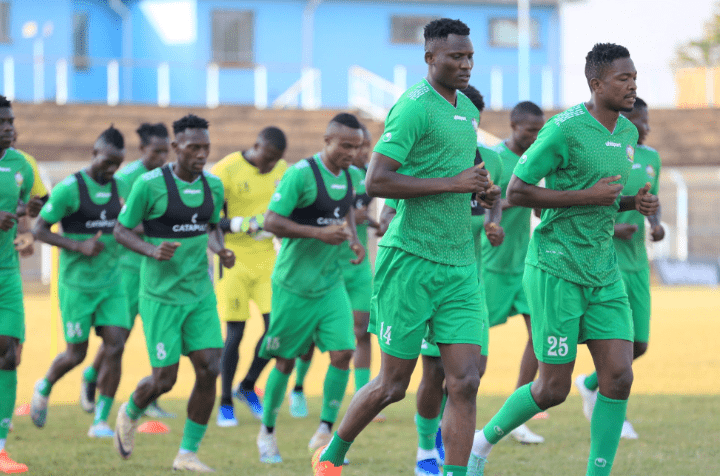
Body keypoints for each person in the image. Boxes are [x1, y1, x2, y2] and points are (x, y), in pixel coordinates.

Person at [312, 19, 498, 476]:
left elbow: (446, 175)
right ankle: (331, 456)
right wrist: (454, 182)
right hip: (410, 262)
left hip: (458, 266)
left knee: (465, 382)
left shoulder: (466, 112)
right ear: (430, 58)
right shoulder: (413, 107)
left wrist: (477, 192)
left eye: (470, 56)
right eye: (456, 56)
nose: (466, 64)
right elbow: (378, 179)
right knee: (393, 384)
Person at [466, 43, 659, 476]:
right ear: (596, 84)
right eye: (622, 79)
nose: (632, 86)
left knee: (620, 377)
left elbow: (603, 199)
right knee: (552, 389)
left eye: (634, 78)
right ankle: (482, 442)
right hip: (556, 267)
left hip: (603, 270)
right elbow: (517, 192)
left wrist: (632, 201)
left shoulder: (627, 134)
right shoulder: (563, 130)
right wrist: (587, 196)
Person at [112, 114, 234, 472]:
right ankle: (132, 409)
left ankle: (187, 454)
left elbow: (211, 226)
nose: (201, 153)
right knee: (165, 380)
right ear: (176, 147)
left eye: (206, 147)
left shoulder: (213, 185)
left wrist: (220, 249)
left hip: (199, 293)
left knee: (210, 368)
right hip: (160, 295)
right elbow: (121, 231)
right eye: (193, 147)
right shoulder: (149, 186)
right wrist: (151, 250)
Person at [255, 113, 365, 464]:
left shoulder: (353, 176)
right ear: (327, 140)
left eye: (356, 147)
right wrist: (320, 233)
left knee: (343, 352)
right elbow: (271, 221)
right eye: (345, 145)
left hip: (330, 282)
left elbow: (346, 207)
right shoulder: (301, 174)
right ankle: (267, 432)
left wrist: (351, 237)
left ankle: (325, 432)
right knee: (285, 362)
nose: (351, 153)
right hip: (293, 286)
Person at [412, 84, 503, 476]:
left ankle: (454, 461)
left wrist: (493, 221)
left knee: (469, 376)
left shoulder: (490, 160)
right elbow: (400, 201)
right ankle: (424, 451)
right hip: (430, 276)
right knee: (433, 372)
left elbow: (494, 196)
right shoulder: (434, 156)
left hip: (471, 280)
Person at [31, 126, 130, 439]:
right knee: (76, 354)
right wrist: (78, 245)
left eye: (117, 163)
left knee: (116, 345)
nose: (111, 169)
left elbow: (130, 223)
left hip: (112, 283)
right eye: (107, 161)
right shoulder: (69, 189)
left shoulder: (122, 187)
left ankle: (100, 420)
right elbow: (39, 229)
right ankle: (44, 385)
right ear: (94, 154)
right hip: (76, 285)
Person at [575, 97, 664, 440]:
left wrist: (655, 224)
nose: (647, 128)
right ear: (628, 122)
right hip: (604, 262)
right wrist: (614, 229)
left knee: (640, 344)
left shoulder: (652, 157)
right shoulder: (612, 152)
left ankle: (590, 383)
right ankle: (616, 415)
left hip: (637, 263)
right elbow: (590, 204)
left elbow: (650, 199)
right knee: (621, 347)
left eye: (648, 121)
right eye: (642, 121)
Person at [288, 123, 383, 422]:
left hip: (356, 267)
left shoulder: (369, 178)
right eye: (356, 146)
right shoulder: (321, 177)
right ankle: (299, 388)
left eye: (365, 146)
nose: (361, 152)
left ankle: (363, 395)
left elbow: (361, 214)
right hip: (325, 266)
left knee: (363, 332)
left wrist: (371, 222)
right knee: (309, 338)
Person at [80, 122, 175, 420]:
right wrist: (157, 228)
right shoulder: (124, 179)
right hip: (128, 269)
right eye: (156, 151)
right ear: (143, 149)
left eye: (166, 151)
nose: (162, 157)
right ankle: (92, 375)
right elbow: (120, 222)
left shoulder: (168, 178)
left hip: (158, 268)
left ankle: (152, 395)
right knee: (119, 334)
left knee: (157, 331)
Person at [211, 126, 288, 425]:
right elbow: (209, 221)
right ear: (256, 145)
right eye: (267, 158)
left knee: (276, 330)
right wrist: (240, 223)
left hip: (267, 259)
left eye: (275, 160)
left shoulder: (282, 170)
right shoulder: (225, 170)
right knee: (236, 333)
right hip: (233, 259)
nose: (270, 165)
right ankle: (225, 402)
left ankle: (247, 385)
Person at [481, 100, 546, 444]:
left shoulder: (533, 162)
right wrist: (515, 198)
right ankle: (443, 411)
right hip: (490, 265)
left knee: (540, 333)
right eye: (529, 130)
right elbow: (484, 204)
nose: (535, 137)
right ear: (512, 125)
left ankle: (518, 416)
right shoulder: (493, 159)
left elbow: (535, 208)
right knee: (468, 347)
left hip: (524, 265)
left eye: (539, 131)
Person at [0, 95, 35, 474]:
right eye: (1, 123)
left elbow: (24, 210)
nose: (8, 128)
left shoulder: (20, 164)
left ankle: (0, 449)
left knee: (9, 353)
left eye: (10, 121)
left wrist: (25, 234)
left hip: (7, 274)